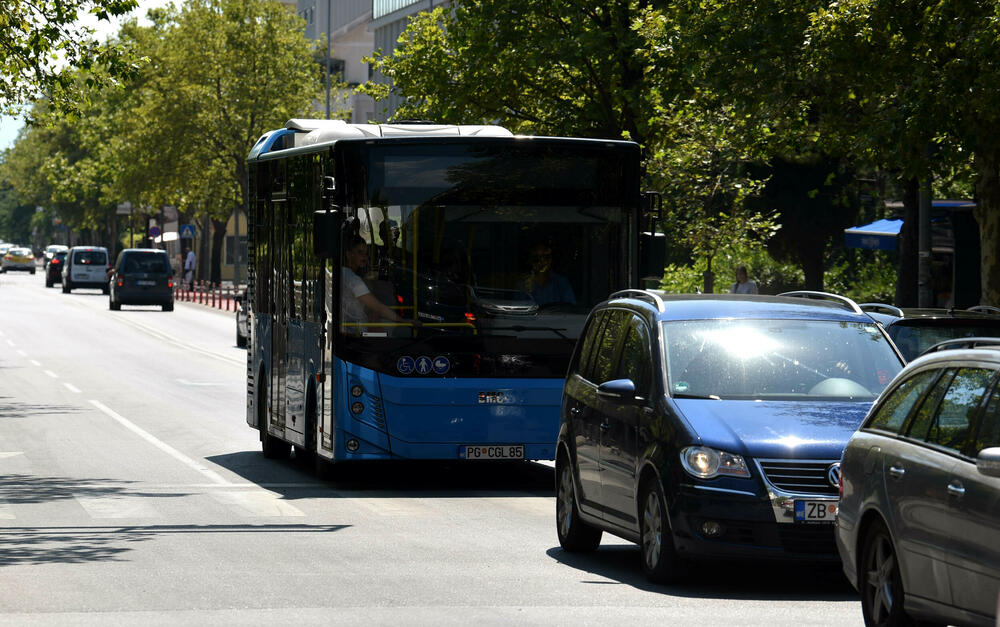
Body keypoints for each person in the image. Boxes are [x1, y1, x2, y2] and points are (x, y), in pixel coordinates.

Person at [341, 236, 416, 333]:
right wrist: (405, 321)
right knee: (405, 331)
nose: (364, 257)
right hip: (359, 332)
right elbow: (378, 307)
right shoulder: (353, 279)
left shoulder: (344, 273)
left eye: (366, 254)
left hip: (355, 327)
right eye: (360, 252)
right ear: (349, 254)